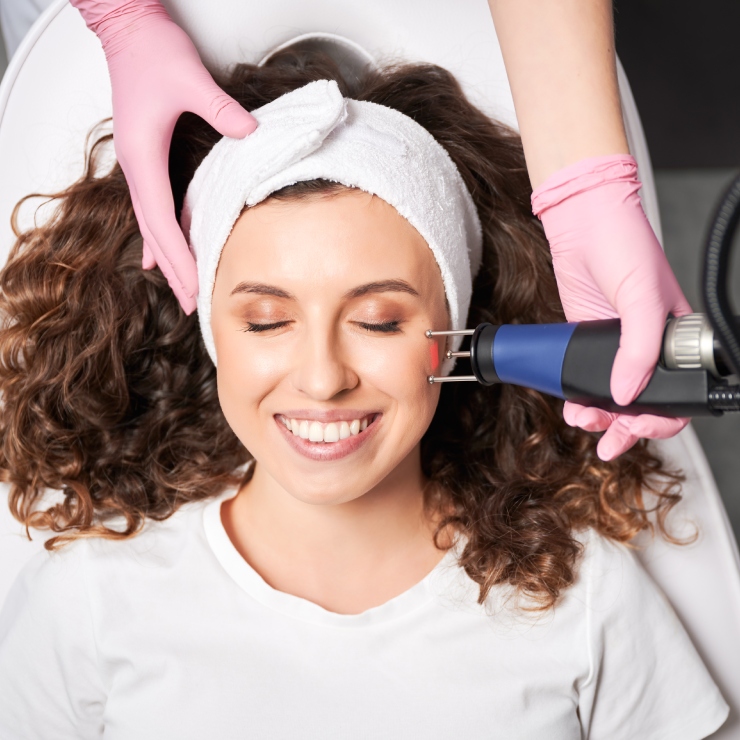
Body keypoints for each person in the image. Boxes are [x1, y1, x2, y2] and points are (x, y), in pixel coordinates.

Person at [0, 46, 728, 738]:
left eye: (379, 321)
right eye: (267, 320)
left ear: (458, 335)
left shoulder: (580, 596)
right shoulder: (92, 599)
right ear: (213, 334)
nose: (322, 378)